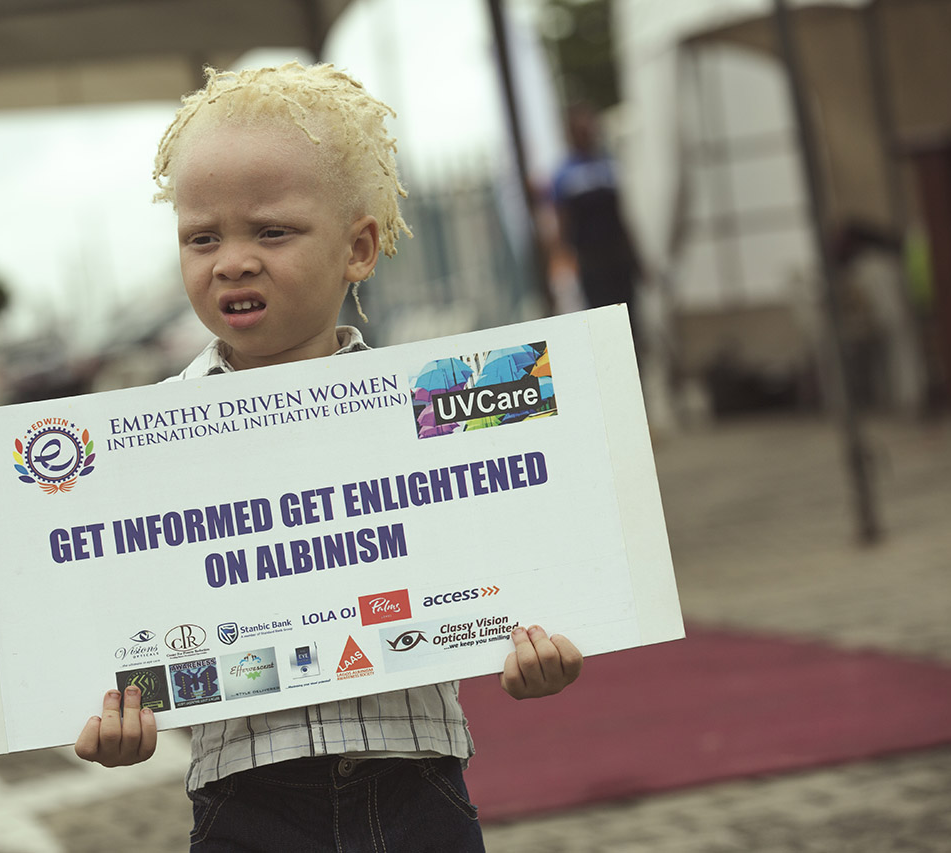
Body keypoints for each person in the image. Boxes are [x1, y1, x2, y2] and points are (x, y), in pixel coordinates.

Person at [74, 63, 583, 852]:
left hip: (415, 784)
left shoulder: (424, 405)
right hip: (246, 799)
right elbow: (115, 616)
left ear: (359, 248)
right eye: (203, 237)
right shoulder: (144, 440)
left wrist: (535, 644)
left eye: (271, 231)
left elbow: (504, 557)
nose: (232, 261)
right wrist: (116, 711)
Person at [550, 103, 643, 345]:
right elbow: (562, 223)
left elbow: (621, 214)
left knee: (631, 321)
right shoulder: (564, 175)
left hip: (618, 257)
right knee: (602, 324)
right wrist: (564, 263)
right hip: (591, 261)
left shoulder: (609, 166)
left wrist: (634, 254)